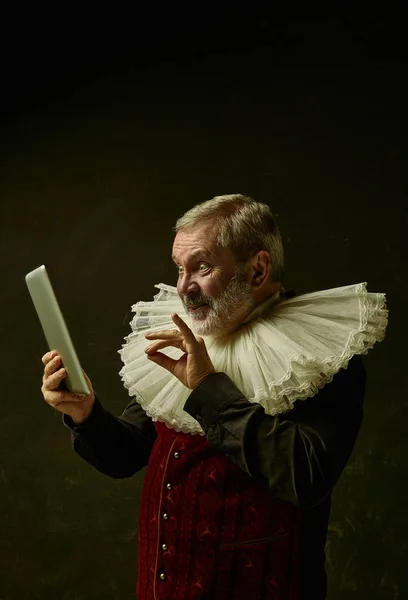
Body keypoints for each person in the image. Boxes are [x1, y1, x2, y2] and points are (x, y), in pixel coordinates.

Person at [41, 194, 388, 599]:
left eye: (201, 267)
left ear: (257, 270)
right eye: (179, 268)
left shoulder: (322, 357)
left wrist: (207, 386)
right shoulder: (183, 334)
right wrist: (86, 414)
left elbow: (305, 477)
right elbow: (128, 454)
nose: (183, 288)